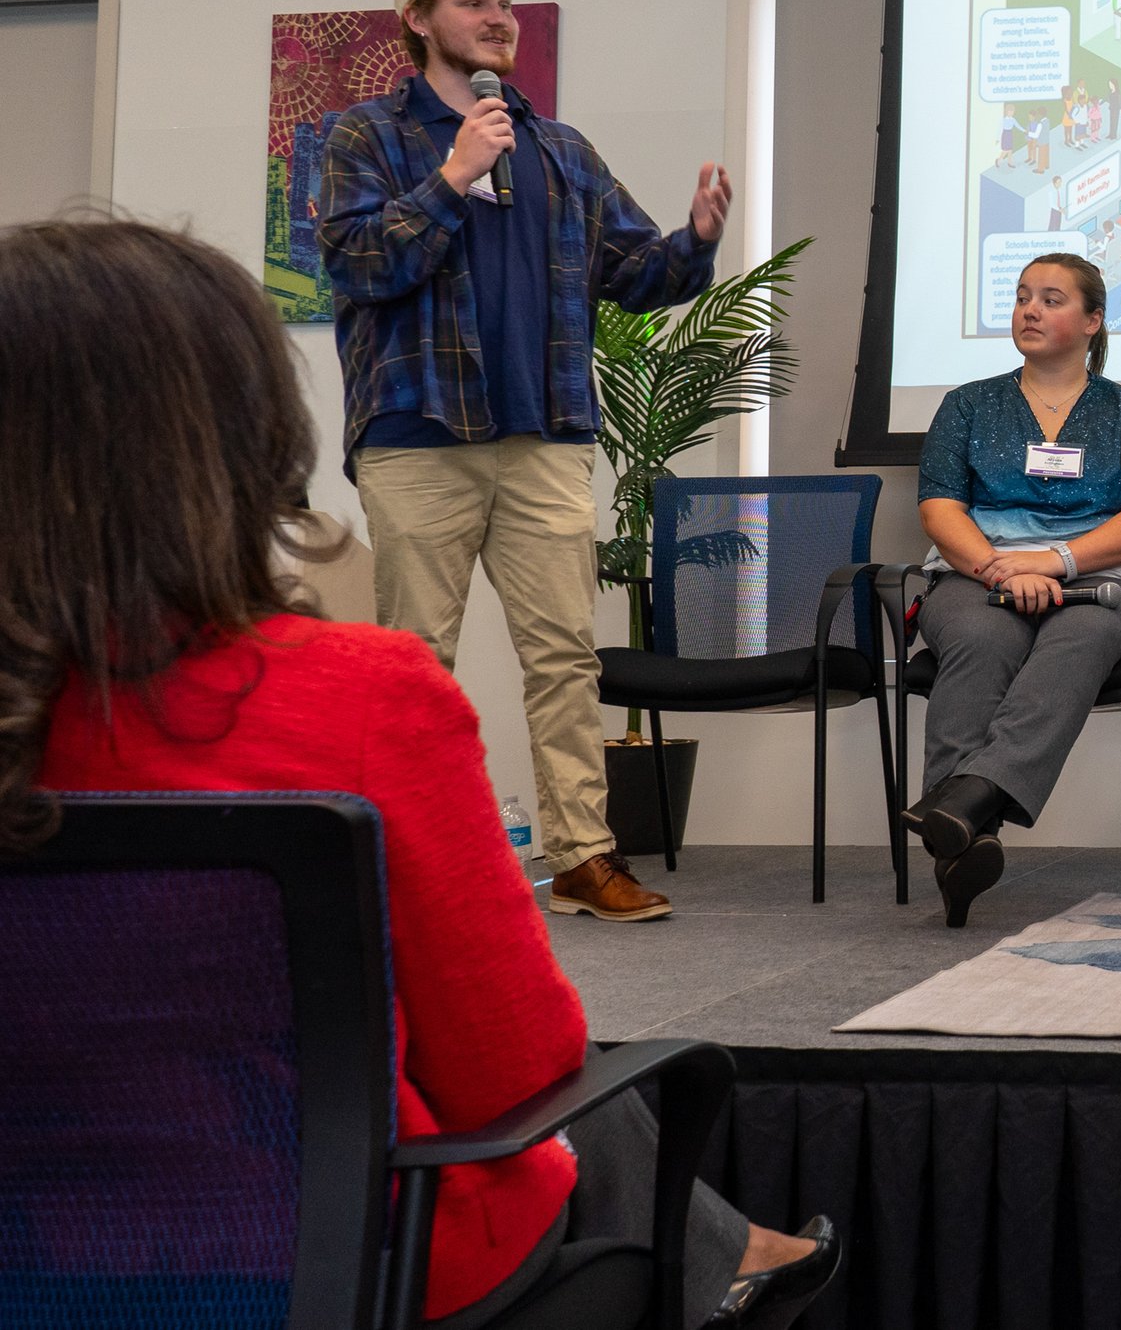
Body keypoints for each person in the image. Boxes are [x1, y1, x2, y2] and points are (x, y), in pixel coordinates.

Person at [5, 219, 837, 1330]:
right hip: (351, 1272)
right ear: (241, 443)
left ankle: (731, 1254)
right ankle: (727, 1263)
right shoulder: (357, 694)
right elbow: (518, 1069)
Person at [318, 0, 730, 923]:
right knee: (418, 657)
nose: (497, 15)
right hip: (419, 431)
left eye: (504, 1)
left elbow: (634, 276)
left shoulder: (559, 149)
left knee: (564, 654)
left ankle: (583, 854)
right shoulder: (364, 137)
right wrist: (452, 179)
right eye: (471, 0)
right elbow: (356, 263)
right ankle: (410, 861)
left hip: (545, 432)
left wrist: (697, 242)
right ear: (419, 18)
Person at [901, 254, 1121, 926]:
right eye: (1023, 296)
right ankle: (969, 831)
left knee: (1078, 639)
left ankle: (960, 804)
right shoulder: (967, 404)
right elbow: (941, 508)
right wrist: (1001, 569)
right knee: (977, 633)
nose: (1029, 309)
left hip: (1102, 575)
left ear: (1092, 321)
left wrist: (1054, 561)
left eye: (1051, 299)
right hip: (977, 569)